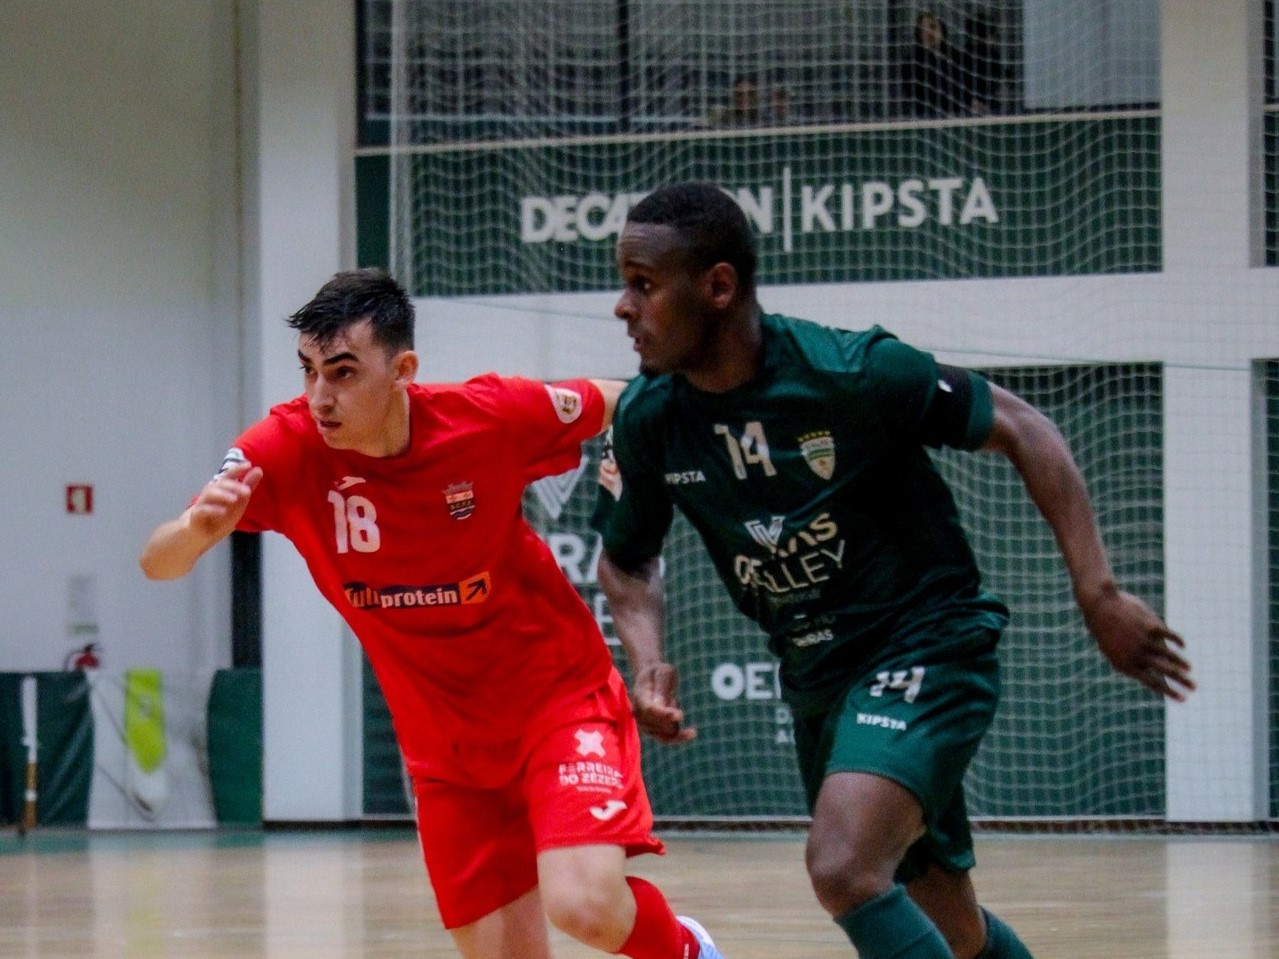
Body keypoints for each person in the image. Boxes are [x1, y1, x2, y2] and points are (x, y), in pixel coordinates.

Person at [591, 183, 1195, 959]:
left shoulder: (851, 372)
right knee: (948, 920)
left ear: (717, 286)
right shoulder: (649, 420)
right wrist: (646, 664)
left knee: (842, 866)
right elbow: (626, 562)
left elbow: (1023, 426)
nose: (621, 305)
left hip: (925, 642)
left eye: (642, 283)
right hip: (817, 675)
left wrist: (1097, 589)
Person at [139, 268, 728, 959]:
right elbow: (158, 561)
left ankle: (688, 950)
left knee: (585, 905)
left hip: (556, 700)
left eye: (343, 372)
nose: (320, 396)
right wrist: (196, 533)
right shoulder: (282, 449)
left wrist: (635, 457)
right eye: (308, 371)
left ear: (402, 369)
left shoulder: (488, 415)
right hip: (447, 753)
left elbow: (625, 400)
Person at [901, 11, 968, 118]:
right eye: (924, 29)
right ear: (918, 33)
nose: (929, 32)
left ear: (942, 30)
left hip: (959, 115)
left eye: (933, 27)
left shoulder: (956, 56)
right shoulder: (912, 62)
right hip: (927, 117)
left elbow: (966, 85)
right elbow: (919, 93)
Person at [958, 13, 1010, 116]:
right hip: (972, 102)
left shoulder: (989, 52)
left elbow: (1000, 73)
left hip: (985, 101)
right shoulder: (969, 54)